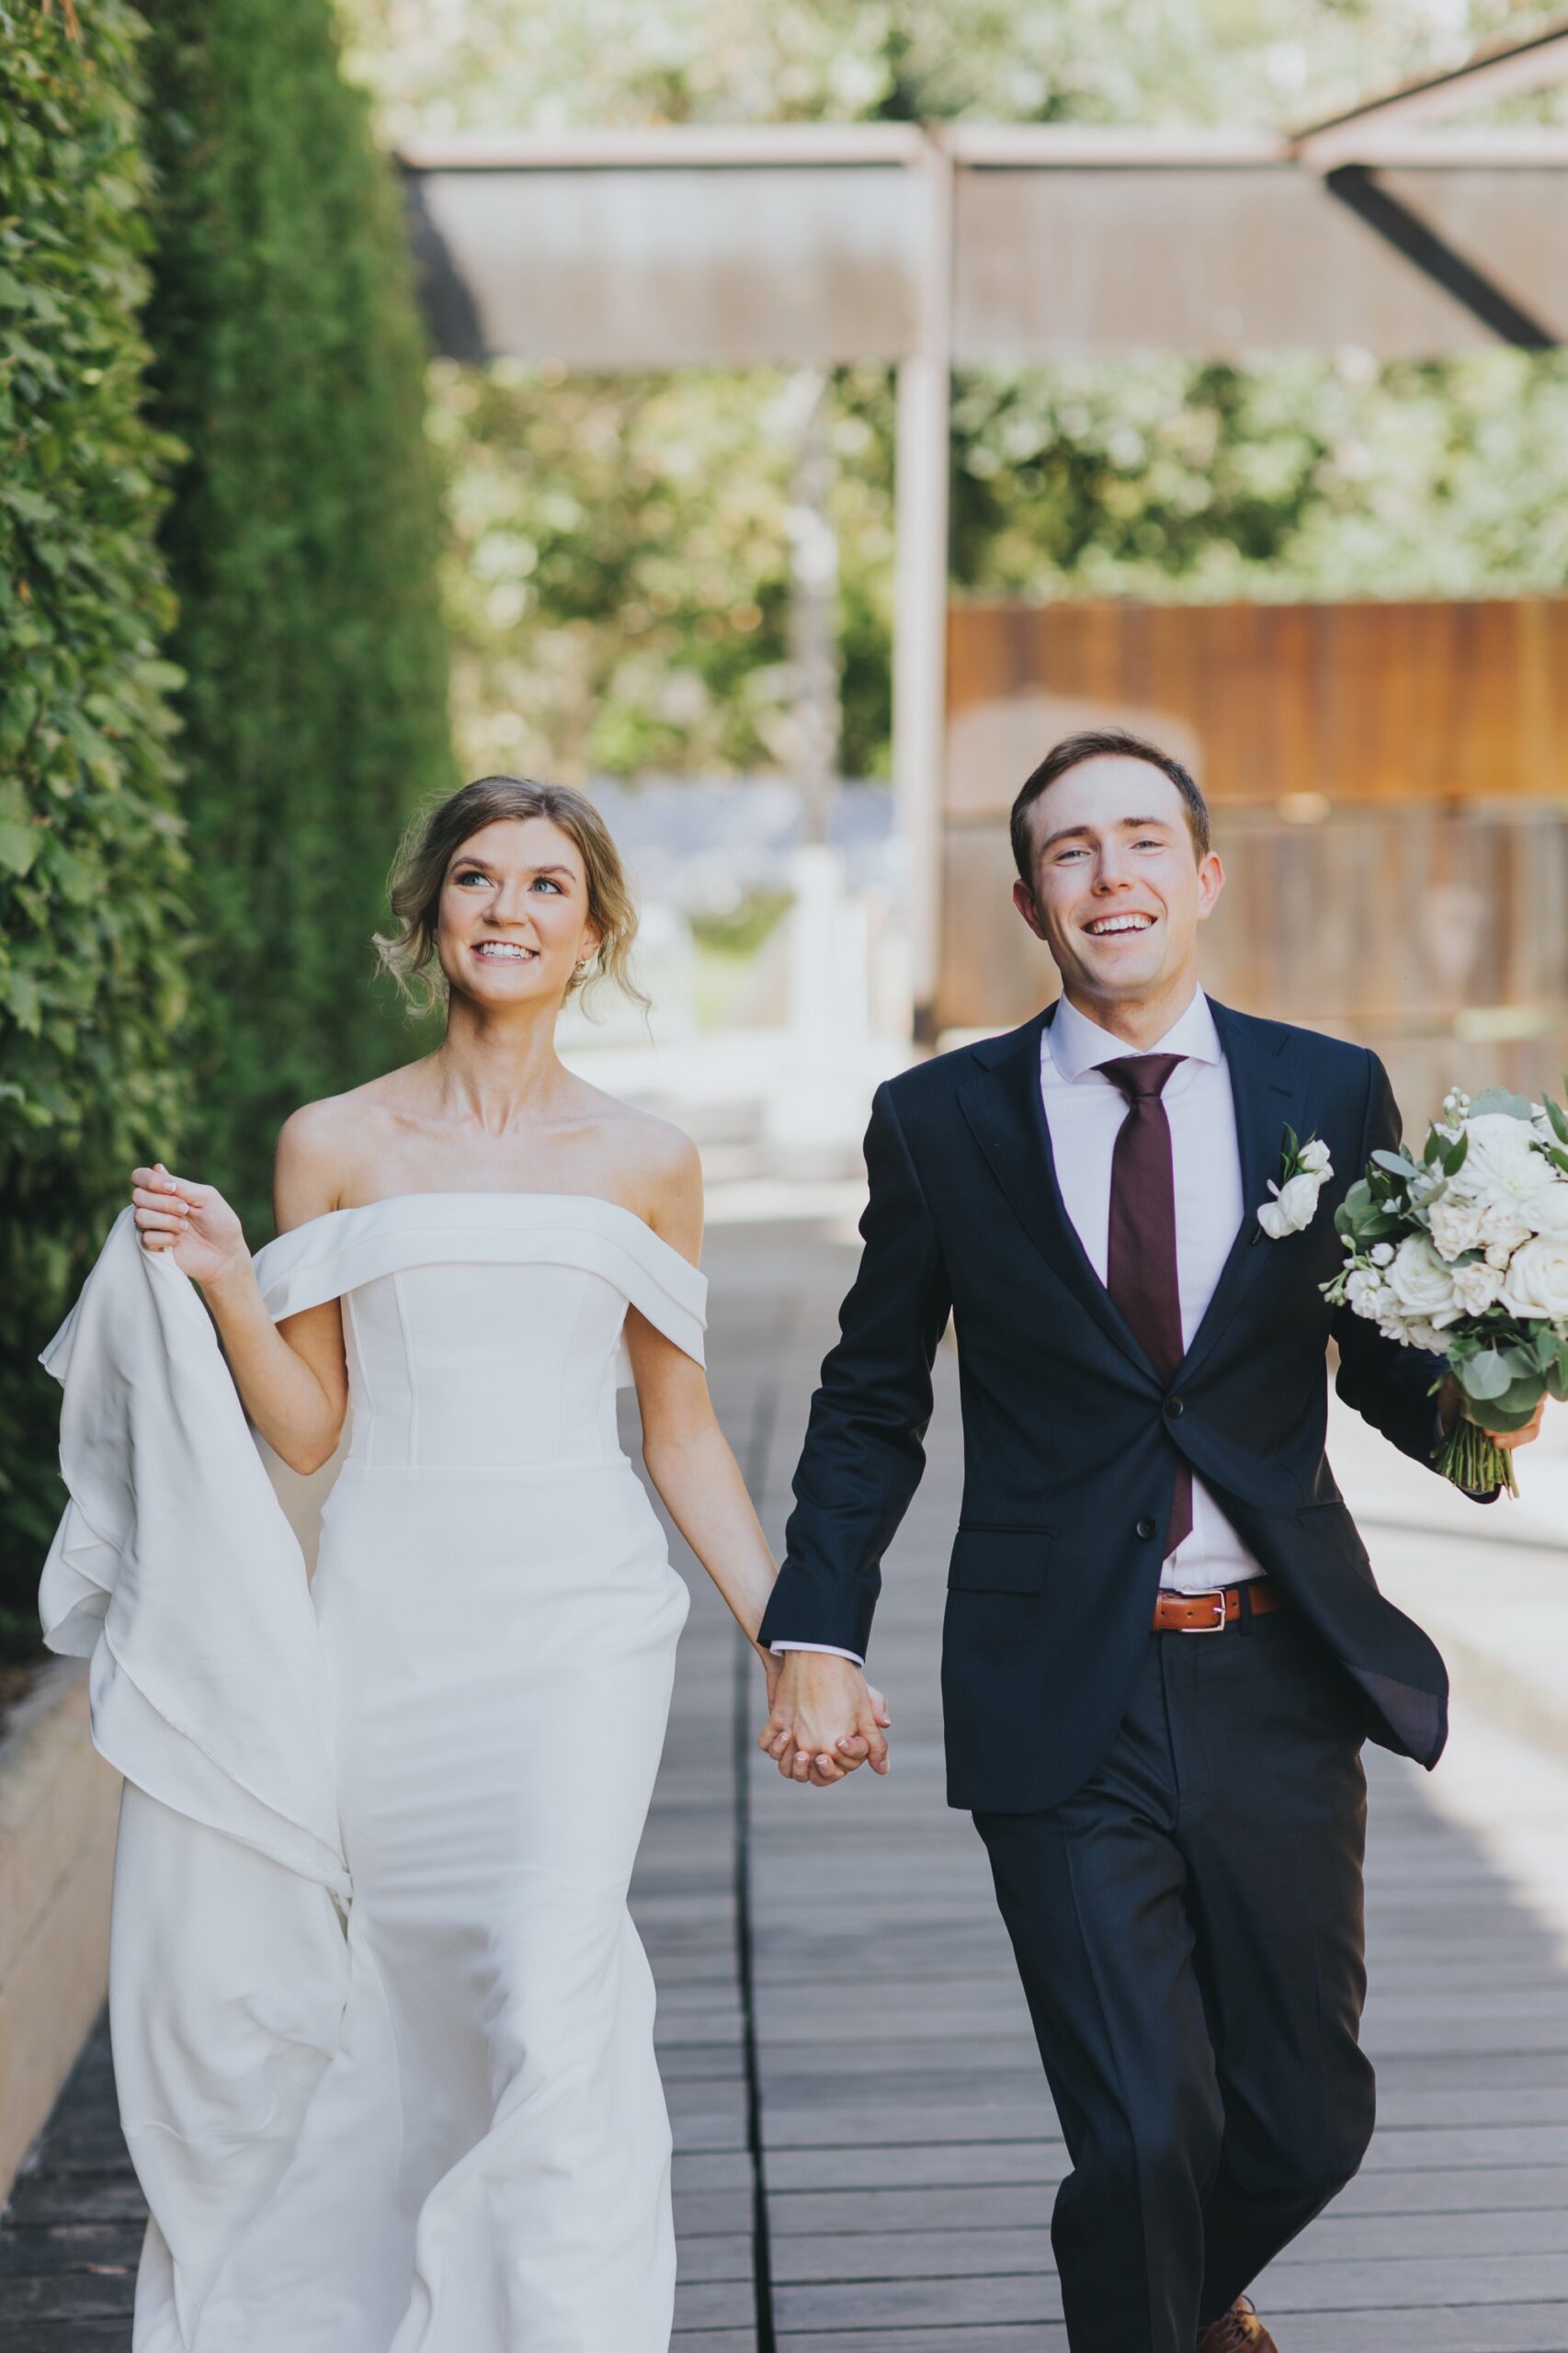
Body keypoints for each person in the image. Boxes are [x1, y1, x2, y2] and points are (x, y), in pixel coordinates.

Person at [43, 776, 876, 2353]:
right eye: (478, 881)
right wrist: (228, 1284)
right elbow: (308, 1433)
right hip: (387, 1622)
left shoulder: (648, 1162)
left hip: (579, 1629)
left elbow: (682, 1433)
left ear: (595, 933)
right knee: (415, 2011)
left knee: (557, 1984)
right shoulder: (333, 1142)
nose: (509, 909)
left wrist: (800, 1637)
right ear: (432, 919)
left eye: (548, 887)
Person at [756, 729, 1542, 2353]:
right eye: (1067, 852)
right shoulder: (936, 1122)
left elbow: (1375, 1347)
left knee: (1308, 2118)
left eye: (1138, 844)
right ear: (1031, 903)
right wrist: (814, 1632)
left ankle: (1178, 2306)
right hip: (1063, 1684)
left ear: (1202, 876)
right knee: (1135, 2137)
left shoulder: (1323, 1090)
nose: (1108, 877)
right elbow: (868, 1397)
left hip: (1275, 1676)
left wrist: (1491, 1401)